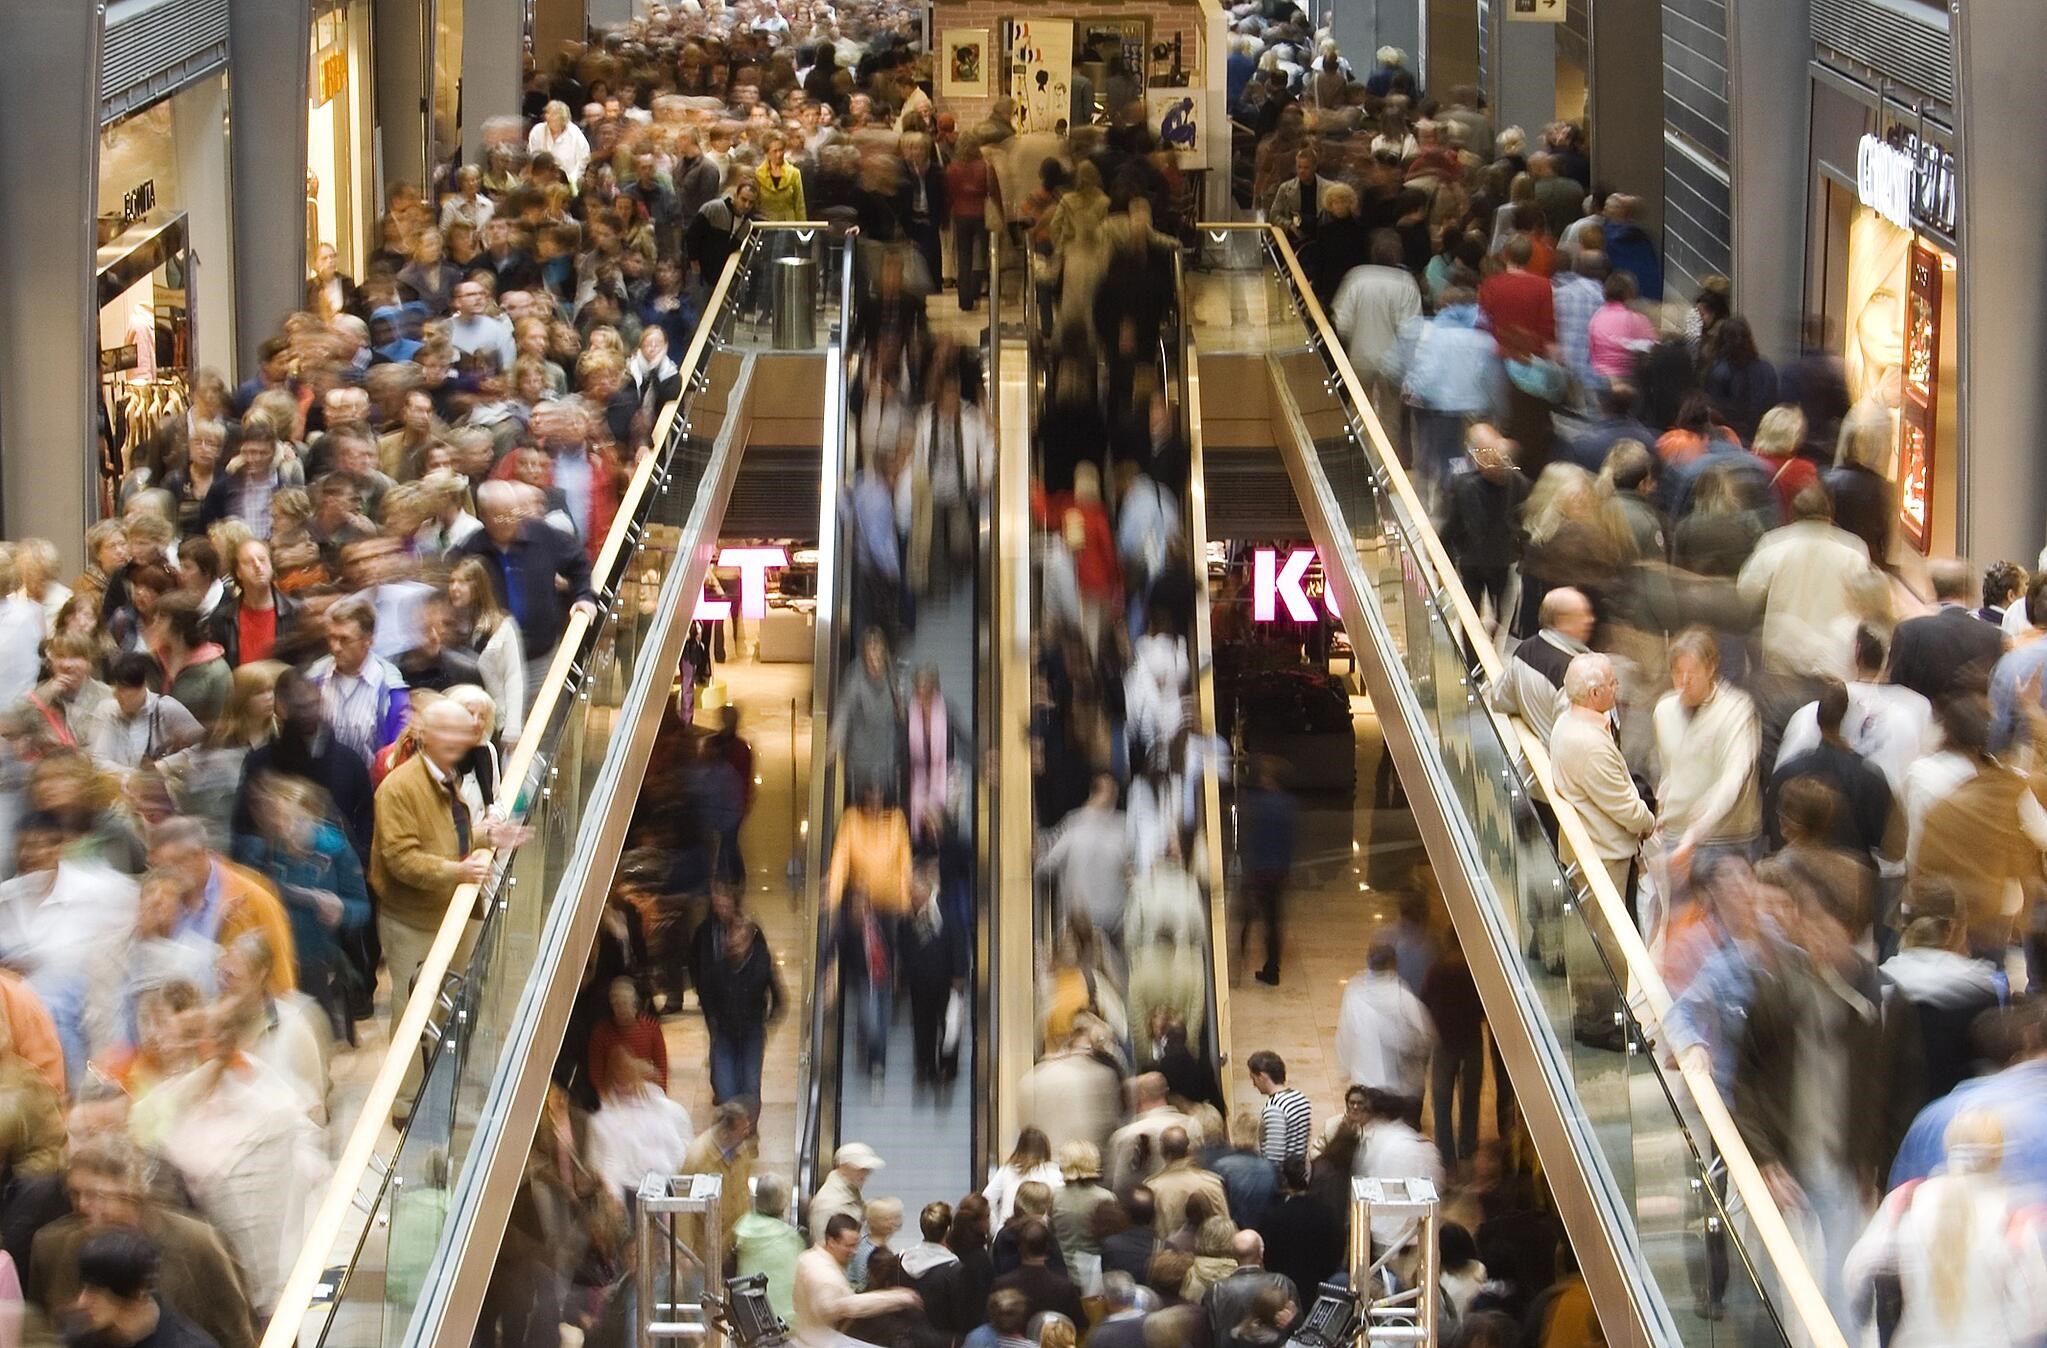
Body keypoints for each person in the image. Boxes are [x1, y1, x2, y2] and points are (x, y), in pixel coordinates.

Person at [370, 698, 523, 1111]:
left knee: (447, 1009)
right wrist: (457, 871)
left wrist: (485, 839)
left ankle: (437, 1091)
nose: (461, 738)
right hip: (413, 921)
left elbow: (447, 836)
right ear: (424, 736)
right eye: (450, 731)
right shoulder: (399, 788)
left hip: (449, 913)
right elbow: (400, 859)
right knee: (412, 1014)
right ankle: (404, 1104)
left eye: (464, 731)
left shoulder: (444, 777)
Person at [1653, 627, 1762, 879]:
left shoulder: (1737, 711)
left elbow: (1734, 777)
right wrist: (1663, 807)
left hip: (1727, 839)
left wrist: (1697, 830)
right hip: (1676, 833)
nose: (1684, 681)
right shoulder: (1663, 710)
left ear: (1711, 668)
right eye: (1678, 673)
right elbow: (1670, 768)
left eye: (1692, 673)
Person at [1549, 654, 1653, 901]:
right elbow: (1626, 809)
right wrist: (1649, 823)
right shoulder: (1591, 747)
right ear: (1595, 693)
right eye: (1612, 683)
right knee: (1610, 936)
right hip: (1603, 859)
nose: (1617, 687)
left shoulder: (1567, 720)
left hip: (1593, 850)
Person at [691, 885, 783, 1105]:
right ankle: (732, 1125)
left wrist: (765, 1023)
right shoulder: (716, 962)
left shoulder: (761, 962)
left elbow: (778, 997)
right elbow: (704, 985)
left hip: (751, 1031)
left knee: (750, 1085)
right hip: (724, 1031)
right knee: (726, 1087)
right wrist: (712, 1018)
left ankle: (747, 1130)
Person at [306, 597, 408, 767]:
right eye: (331, 637)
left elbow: (395, 752)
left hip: (369, 786)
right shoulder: (314, 678)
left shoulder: (390, 692)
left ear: (368, 641)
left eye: (344, 639)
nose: (335, 647)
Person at [794, 1213, 920, 1348]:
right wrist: (895, 1298)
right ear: (831, 1242)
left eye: (856, 1245)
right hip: (820, 1342)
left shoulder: (807, 1257)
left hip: (808, 1334)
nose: (854, 1251)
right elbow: (848, 1306)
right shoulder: (825, 1276)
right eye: (849, 1245)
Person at [1334, 938, 1436, 1102]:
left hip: (1363, 1079)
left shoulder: (1354, 992)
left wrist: (1344, 1068)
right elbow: (1425, 1037)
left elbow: (1345, 1033)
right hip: (1396, 1086)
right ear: (1393, 964)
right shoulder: (1403, 997)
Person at [735, 1172, 807, 1327]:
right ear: (782, 1202)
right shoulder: (790, 1239)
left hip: (749, 1318)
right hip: (781, 1322)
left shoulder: (743, 1230)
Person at [989, 1220, 1085, 1329]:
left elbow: (992, 1323)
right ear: (1047, 1249)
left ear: (1020, 1248)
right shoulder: (1065, 1287)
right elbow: (1080, 1325)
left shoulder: (1002, 1285)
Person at [984, 1128, 1063, 1229]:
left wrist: (995, 1228)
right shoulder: (1054, 1173)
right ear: (1045, 1148)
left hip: (1008, 1232)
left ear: (1020, 1147)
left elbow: (987, 1198)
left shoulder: (1007, 1170)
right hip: (1039, 1234)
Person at [810, 1143, 883, 1244]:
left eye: (868, 1169)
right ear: (844, 1166)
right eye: (860, 1169)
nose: (865, 1174)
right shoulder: (828, 1204)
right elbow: (824, 1246)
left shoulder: (852, 1191)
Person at [1247, 1051, 1310, 1167]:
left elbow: (1274, 1158)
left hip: (1282, 1179)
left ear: (1262, 1077)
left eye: (1253, 1079)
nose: (1254, 1085)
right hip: (1299, 1173)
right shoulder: (1301, 1098)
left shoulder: (1275, 1107)